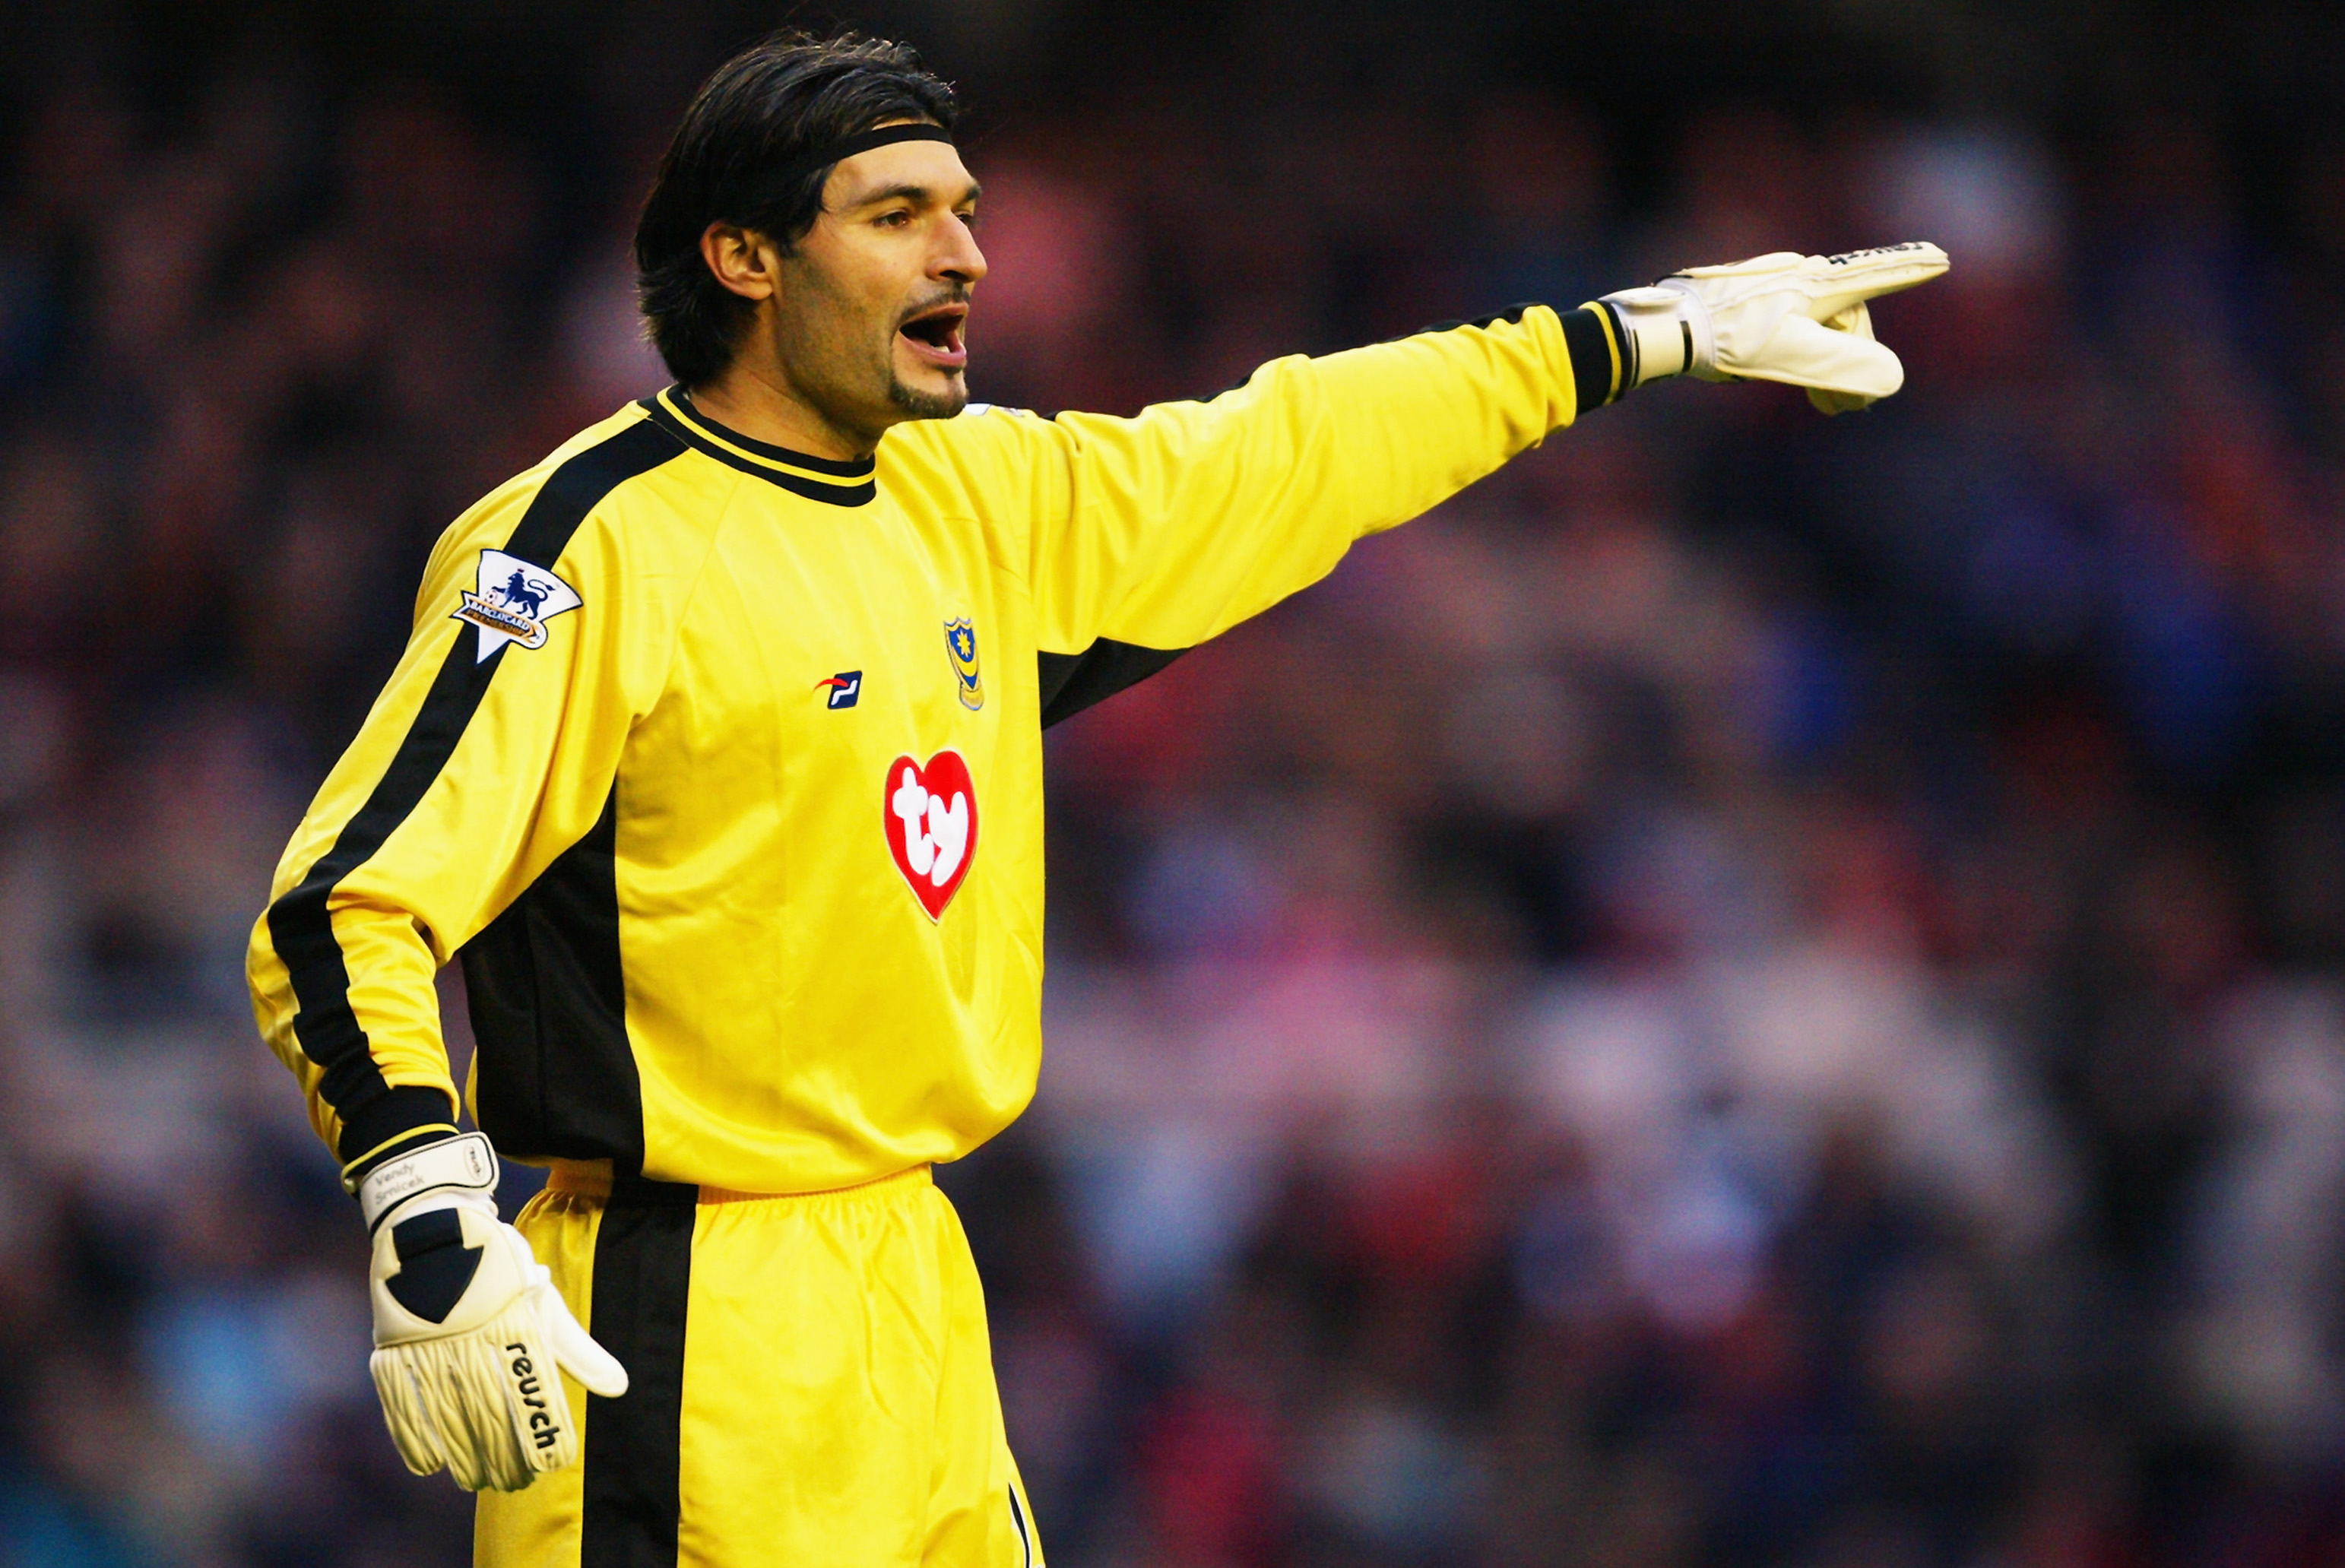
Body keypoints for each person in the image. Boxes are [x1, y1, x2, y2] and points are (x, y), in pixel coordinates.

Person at [245, 27, 1944, 1568]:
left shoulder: (983, 497)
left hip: (914, 1288)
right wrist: (420, 1194)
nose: (965, 252)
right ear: (744, 256)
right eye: (898, 212)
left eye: (965, 210)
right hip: (677, 1318)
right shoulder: (583, 546)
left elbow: (1298, 443)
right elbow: (347, 903)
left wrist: (1633, 334)